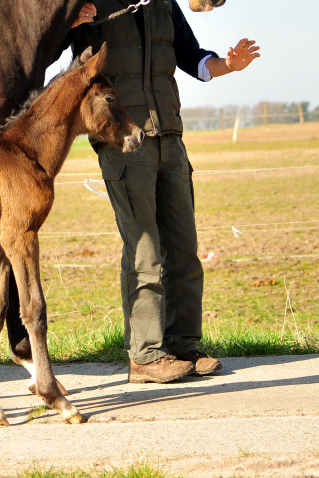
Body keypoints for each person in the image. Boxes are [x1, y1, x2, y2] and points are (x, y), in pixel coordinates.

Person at [63, 0, 260, 383]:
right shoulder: (91, 4)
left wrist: (229, 65)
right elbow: (49, 49)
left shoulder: (163, 4)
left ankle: (183, 347)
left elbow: (194, 58)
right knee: (145, 251)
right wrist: (70, 22)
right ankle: (146, 356)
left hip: (170, 137)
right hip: (124, 142)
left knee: (184, 249)